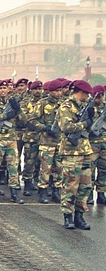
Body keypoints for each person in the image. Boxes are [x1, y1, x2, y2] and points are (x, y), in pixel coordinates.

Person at [56, 80, 94, 230]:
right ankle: (68, 216)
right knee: (71, 185)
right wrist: (84, 123)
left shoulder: (84, 106)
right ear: (81, 92)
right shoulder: (66, 106)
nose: (88, 97)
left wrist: (90, 121)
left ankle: (79, 216)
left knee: (85, 186)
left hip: (85, 150)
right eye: (86, 94)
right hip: (71, 151)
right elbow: (66, 127)